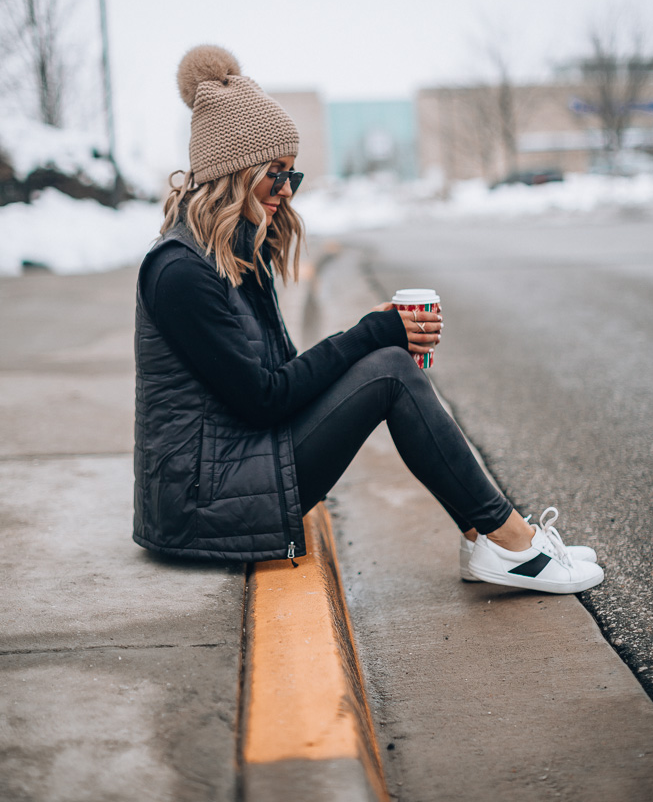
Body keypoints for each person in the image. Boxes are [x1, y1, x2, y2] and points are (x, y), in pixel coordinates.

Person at [132, 44, 604, 595]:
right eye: (275, 175)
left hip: (234, 467)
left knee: (384, 361)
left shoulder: (234, 252)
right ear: (236, 173)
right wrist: (366, 335)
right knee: (389, 371)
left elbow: (280, 379)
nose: (287, 190)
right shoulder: (180, 272)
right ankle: (510, 541)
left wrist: (370, 335)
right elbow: (262, 400)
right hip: (201, 500)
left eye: (293, 175)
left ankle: (493, 534)